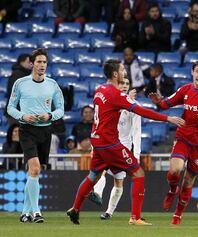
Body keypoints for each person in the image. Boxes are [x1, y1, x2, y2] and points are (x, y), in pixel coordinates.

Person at [66, 59, 184, 225]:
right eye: (122, 70)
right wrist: (168, 118)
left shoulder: (100, 89)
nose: (124, 72)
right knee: (138, 173)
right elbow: (141, 111)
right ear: (115, 74)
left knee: (93, 176)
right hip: (109, 143)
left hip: (98, 141)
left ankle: (75, 208)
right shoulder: (116, 95)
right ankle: (135, 218)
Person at [148, 59, 198, 225]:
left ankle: (177, 215)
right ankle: (172, 190)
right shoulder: (185, 89)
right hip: (184, 136)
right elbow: (166, 104)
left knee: (188, 180)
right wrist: (158, 102)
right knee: (175, 170)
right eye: (197, 71)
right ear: (192, 72)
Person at [7, 48, 64, 223]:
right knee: (35, 168)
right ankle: (36, 211)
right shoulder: (20, 83)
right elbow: (10, 108)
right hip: (27, 130)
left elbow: (61, 109)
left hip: (45, 130)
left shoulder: (52, 85)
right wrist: (22, 116)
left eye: (44, 62)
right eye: (38, 62)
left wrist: (50, 116)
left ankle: (25, 212)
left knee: (34, 172)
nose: (42, 65)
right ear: (32, 64)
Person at [88, 77, 141, 219]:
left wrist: (136, 154)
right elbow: (97, 122)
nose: (124, 86)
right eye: (121, 83)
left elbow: (136, 132)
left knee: (119, 180)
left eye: (127, 83)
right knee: (101, 170)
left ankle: (109, 212)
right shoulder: (107, 100)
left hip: (123, 145)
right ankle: (97, 194)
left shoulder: (134, 106)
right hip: (106, 142)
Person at [4, 54, 32, 125]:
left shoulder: (24, 75)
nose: (31, 64)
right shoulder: (18, 75)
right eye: (28, 62)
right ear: (21, 62)